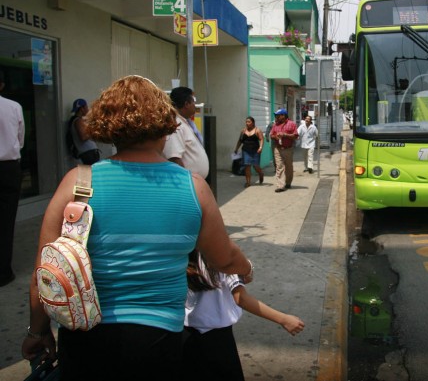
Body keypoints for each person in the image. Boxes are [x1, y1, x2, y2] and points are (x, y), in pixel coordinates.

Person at [21, 75, 253, 381]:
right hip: (159, 339)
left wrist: (37, 332)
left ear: (107, 125)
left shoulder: (77, 184)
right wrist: (245, 267)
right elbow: (224, 259)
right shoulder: (192, 187)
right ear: (164, 123)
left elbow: (44, 273)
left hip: (84, 335)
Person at [183, 250, 304, 380]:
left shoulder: (179, 253)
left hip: (183, 334)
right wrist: (284, 319)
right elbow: (241, 298)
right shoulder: (221, 255)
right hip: (216, 340)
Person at [0, 70, 24, 287]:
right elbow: (21, 139)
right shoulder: (13, 107)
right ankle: (3, 271)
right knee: (6, 222)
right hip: (8, 167)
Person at [163, 86, 209, 179]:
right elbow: (174, 159)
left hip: (195, 182)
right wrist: (186, 184)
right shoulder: (175, 125)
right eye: (193, 102)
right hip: (188, 184)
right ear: (186, 104)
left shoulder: (184, 122)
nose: (195, 106)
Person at [269, 108, 298, 193]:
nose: (276, 117)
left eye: (278, 115)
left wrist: (285, 135)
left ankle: (288, 182)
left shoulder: (292, 124)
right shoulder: (275, 125)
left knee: (289, 167)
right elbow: (271, 135)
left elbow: (295, 136)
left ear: (283, 116)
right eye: (276, 115)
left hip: (288, 148)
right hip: (278, 148)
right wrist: (275, 136)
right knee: (279, 167)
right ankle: (280, 186)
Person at [234, 116, 264, 187]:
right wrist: (236, 148)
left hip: (255, 151)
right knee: (247, 166)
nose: (247, 123)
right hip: (246, 151)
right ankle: (248, 182)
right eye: (246, 122)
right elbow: (240, 141)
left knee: (255, 166)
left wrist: (260, 147)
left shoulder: (257, 130)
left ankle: (261, 173)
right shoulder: (243, 131)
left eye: (249, 122)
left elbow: (261, 139)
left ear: (253, 123)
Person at [69, 98, 101, 165]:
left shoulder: (79, 120)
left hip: (88, 153)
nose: (88, 109)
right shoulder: (78, 121)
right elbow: (83, 137)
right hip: (89, 154)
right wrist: (93, 130)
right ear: (82, 108)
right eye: (86, 107)